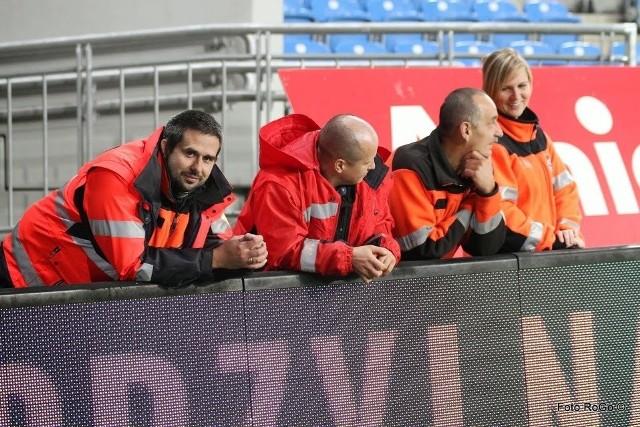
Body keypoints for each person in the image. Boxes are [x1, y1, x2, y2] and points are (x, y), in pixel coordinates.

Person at [0, 109, 268, 288]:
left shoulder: (204, 189)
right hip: (23, 279)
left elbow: (218, 249)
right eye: (190, 153)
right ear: (165, 147)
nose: (198, 168)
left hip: (78, 297)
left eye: (208, 159)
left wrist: (245, 254)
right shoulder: (116, 177)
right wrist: (218, 259)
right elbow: (135, 267)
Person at [234, 113, 400, 283]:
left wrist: (386, 249)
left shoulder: (368, 179)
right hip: (276, 296)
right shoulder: (280, 184)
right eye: (367, 162)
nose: (373, 166)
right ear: (340, 165)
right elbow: (283, 252)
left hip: (338, 297)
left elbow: (381, 224)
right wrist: (349, 258)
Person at [482, 48, 584, 252]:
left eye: (522, 86)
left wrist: (566, 230)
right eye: (506, 88)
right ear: (491, 91)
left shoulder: (539, 136)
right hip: (512, 263)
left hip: (546, 253)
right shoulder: (491, 143)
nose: (516, 96)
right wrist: (551, 240)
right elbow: (502, 212)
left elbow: (566, 189)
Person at [388, 87, 506, 259]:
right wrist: (470, 206)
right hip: (393, 284)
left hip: (437, 282)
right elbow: (423, 252)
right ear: (466, 130)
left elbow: (485, 248)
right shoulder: (409, 168)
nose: (499, 132)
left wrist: (488, 191)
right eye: (491, 123)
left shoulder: (479, 167)